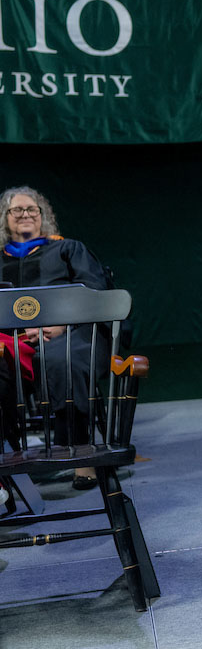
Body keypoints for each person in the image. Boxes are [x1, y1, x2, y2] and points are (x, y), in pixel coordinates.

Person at [1, 186, 109, 490]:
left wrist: (62, 323)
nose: (25, 215)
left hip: (71, 334)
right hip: (13, 341)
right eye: (16, 210)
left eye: (31, 209)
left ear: (42, 215)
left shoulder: (66, 249)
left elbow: (95, 292)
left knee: (65, 360)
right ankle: (8, 461)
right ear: (4, 219)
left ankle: (78, 454)